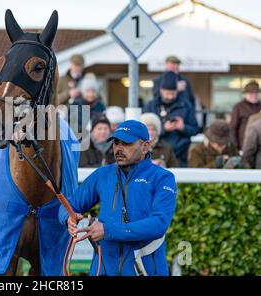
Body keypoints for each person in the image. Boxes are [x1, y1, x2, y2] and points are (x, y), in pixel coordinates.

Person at [59, 120, 177, 276]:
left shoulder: (163, 178)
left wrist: (107, 230)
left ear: (145, 147)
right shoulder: (102, 174)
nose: (119, 149)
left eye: (126, 144)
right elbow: (69, 205)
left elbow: (159, 224)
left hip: (146, 269)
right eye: (116, 143)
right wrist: (68, 217)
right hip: (103, 268)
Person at [143, 71, 199, 167]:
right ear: (161, 90)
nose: (170, 96)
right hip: (156, 153)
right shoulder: (151, 106)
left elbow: (195, 129)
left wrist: (183, 127)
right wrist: (164, 128)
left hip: (181, 155)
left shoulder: (186, 105)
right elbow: (143, 130)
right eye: (167, 93)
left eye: (173, 93)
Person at [230, 80, 261, 151]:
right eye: (251, 93)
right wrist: (236, 147)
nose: (254, 96)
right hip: (243, 144)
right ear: (246, 94)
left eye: (256, 93)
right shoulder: (238, 107)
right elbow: (233, 128)